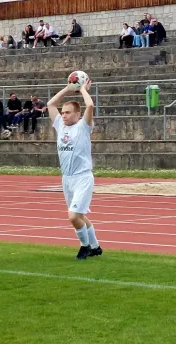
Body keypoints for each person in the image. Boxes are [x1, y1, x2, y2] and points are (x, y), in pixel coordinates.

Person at [47, 79, 102, 260]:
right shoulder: (60, 126)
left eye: (68, 113)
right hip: (67, 178)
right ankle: (95, 247)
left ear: (77, 114)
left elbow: (90, 105)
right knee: (80, 215)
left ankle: (84, 246)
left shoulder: (83, 126)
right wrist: (68, 89)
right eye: (63, 113)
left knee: (73, 216)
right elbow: (50, 104)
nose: (64, 115)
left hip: (82, 177)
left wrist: (83, 90)